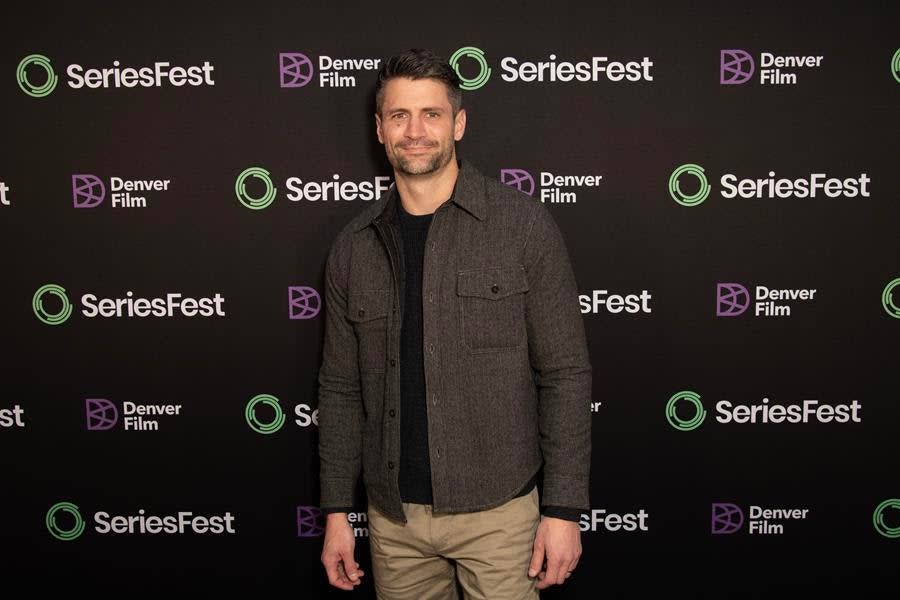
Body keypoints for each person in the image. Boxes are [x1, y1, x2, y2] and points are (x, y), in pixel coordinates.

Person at [317, 48, 592, 599]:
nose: (415, 131)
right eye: (400, 115)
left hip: (500, 514)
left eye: (431, 114)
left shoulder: (522, 226)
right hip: (394, 525)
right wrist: (335, 513)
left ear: (458, 123)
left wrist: (563, 510)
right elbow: (341, 390)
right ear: (380, 129)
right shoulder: (353, 247)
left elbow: (564, 373)